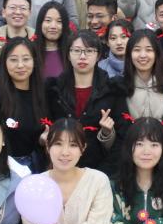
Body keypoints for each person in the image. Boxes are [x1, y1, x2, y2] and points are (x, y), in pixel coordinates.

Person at [46, 30, 124, 176]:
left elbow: (121, 137)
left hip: (100, 170)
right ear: (68, 54)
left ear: (98, 55)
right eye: (76, 51)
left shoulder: (112, 90)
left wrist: (104, 174)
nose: (82, 56)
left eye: (89, 51)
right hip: (60, 169)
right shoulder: (53, 90)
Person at [112, 29, 163, 158]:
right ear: (129, 54)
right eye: (137, 50)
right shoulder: (119, 88)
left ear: (157, 53)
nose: (143, 55)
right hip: (130, 158)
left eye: (149, 50)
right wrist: (107, 133)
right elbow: (116, 140)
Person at [0, 38, 50, 173]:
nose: (20, 65)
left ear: (34, 62)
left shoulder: (45, 94)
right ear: (4, 63)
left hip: (40, 167)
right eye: (13, 60)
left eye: (26, 59)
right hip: (6, 168)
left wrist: (44, 140)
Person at [34, 2, 73, 80]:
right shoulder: (31, 51)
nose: (53, 26)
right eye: (48, 20)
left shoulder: (72, 52)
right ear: (40, 23)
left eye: (59, 21)